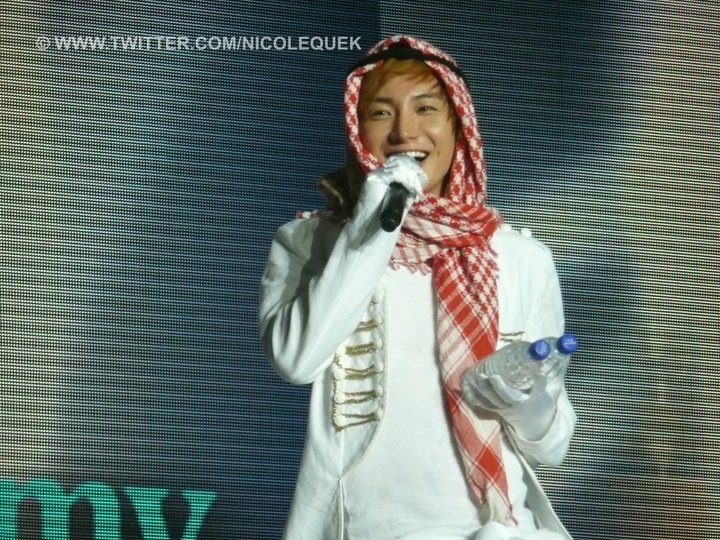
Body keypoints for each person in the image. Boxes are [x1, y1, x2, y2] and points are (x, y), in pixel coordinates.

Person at [259, 35, 577, 540]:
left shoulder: (521, 257)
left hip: (495, 528)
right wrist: (370, 227)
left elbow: (552, 446)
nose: (405, 131)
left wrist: (528, 402)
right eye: (381, 113)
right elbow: (297, 361)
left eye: (425, 109)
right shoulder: (308, 242)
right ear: (358, 130)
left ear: (458, 126)